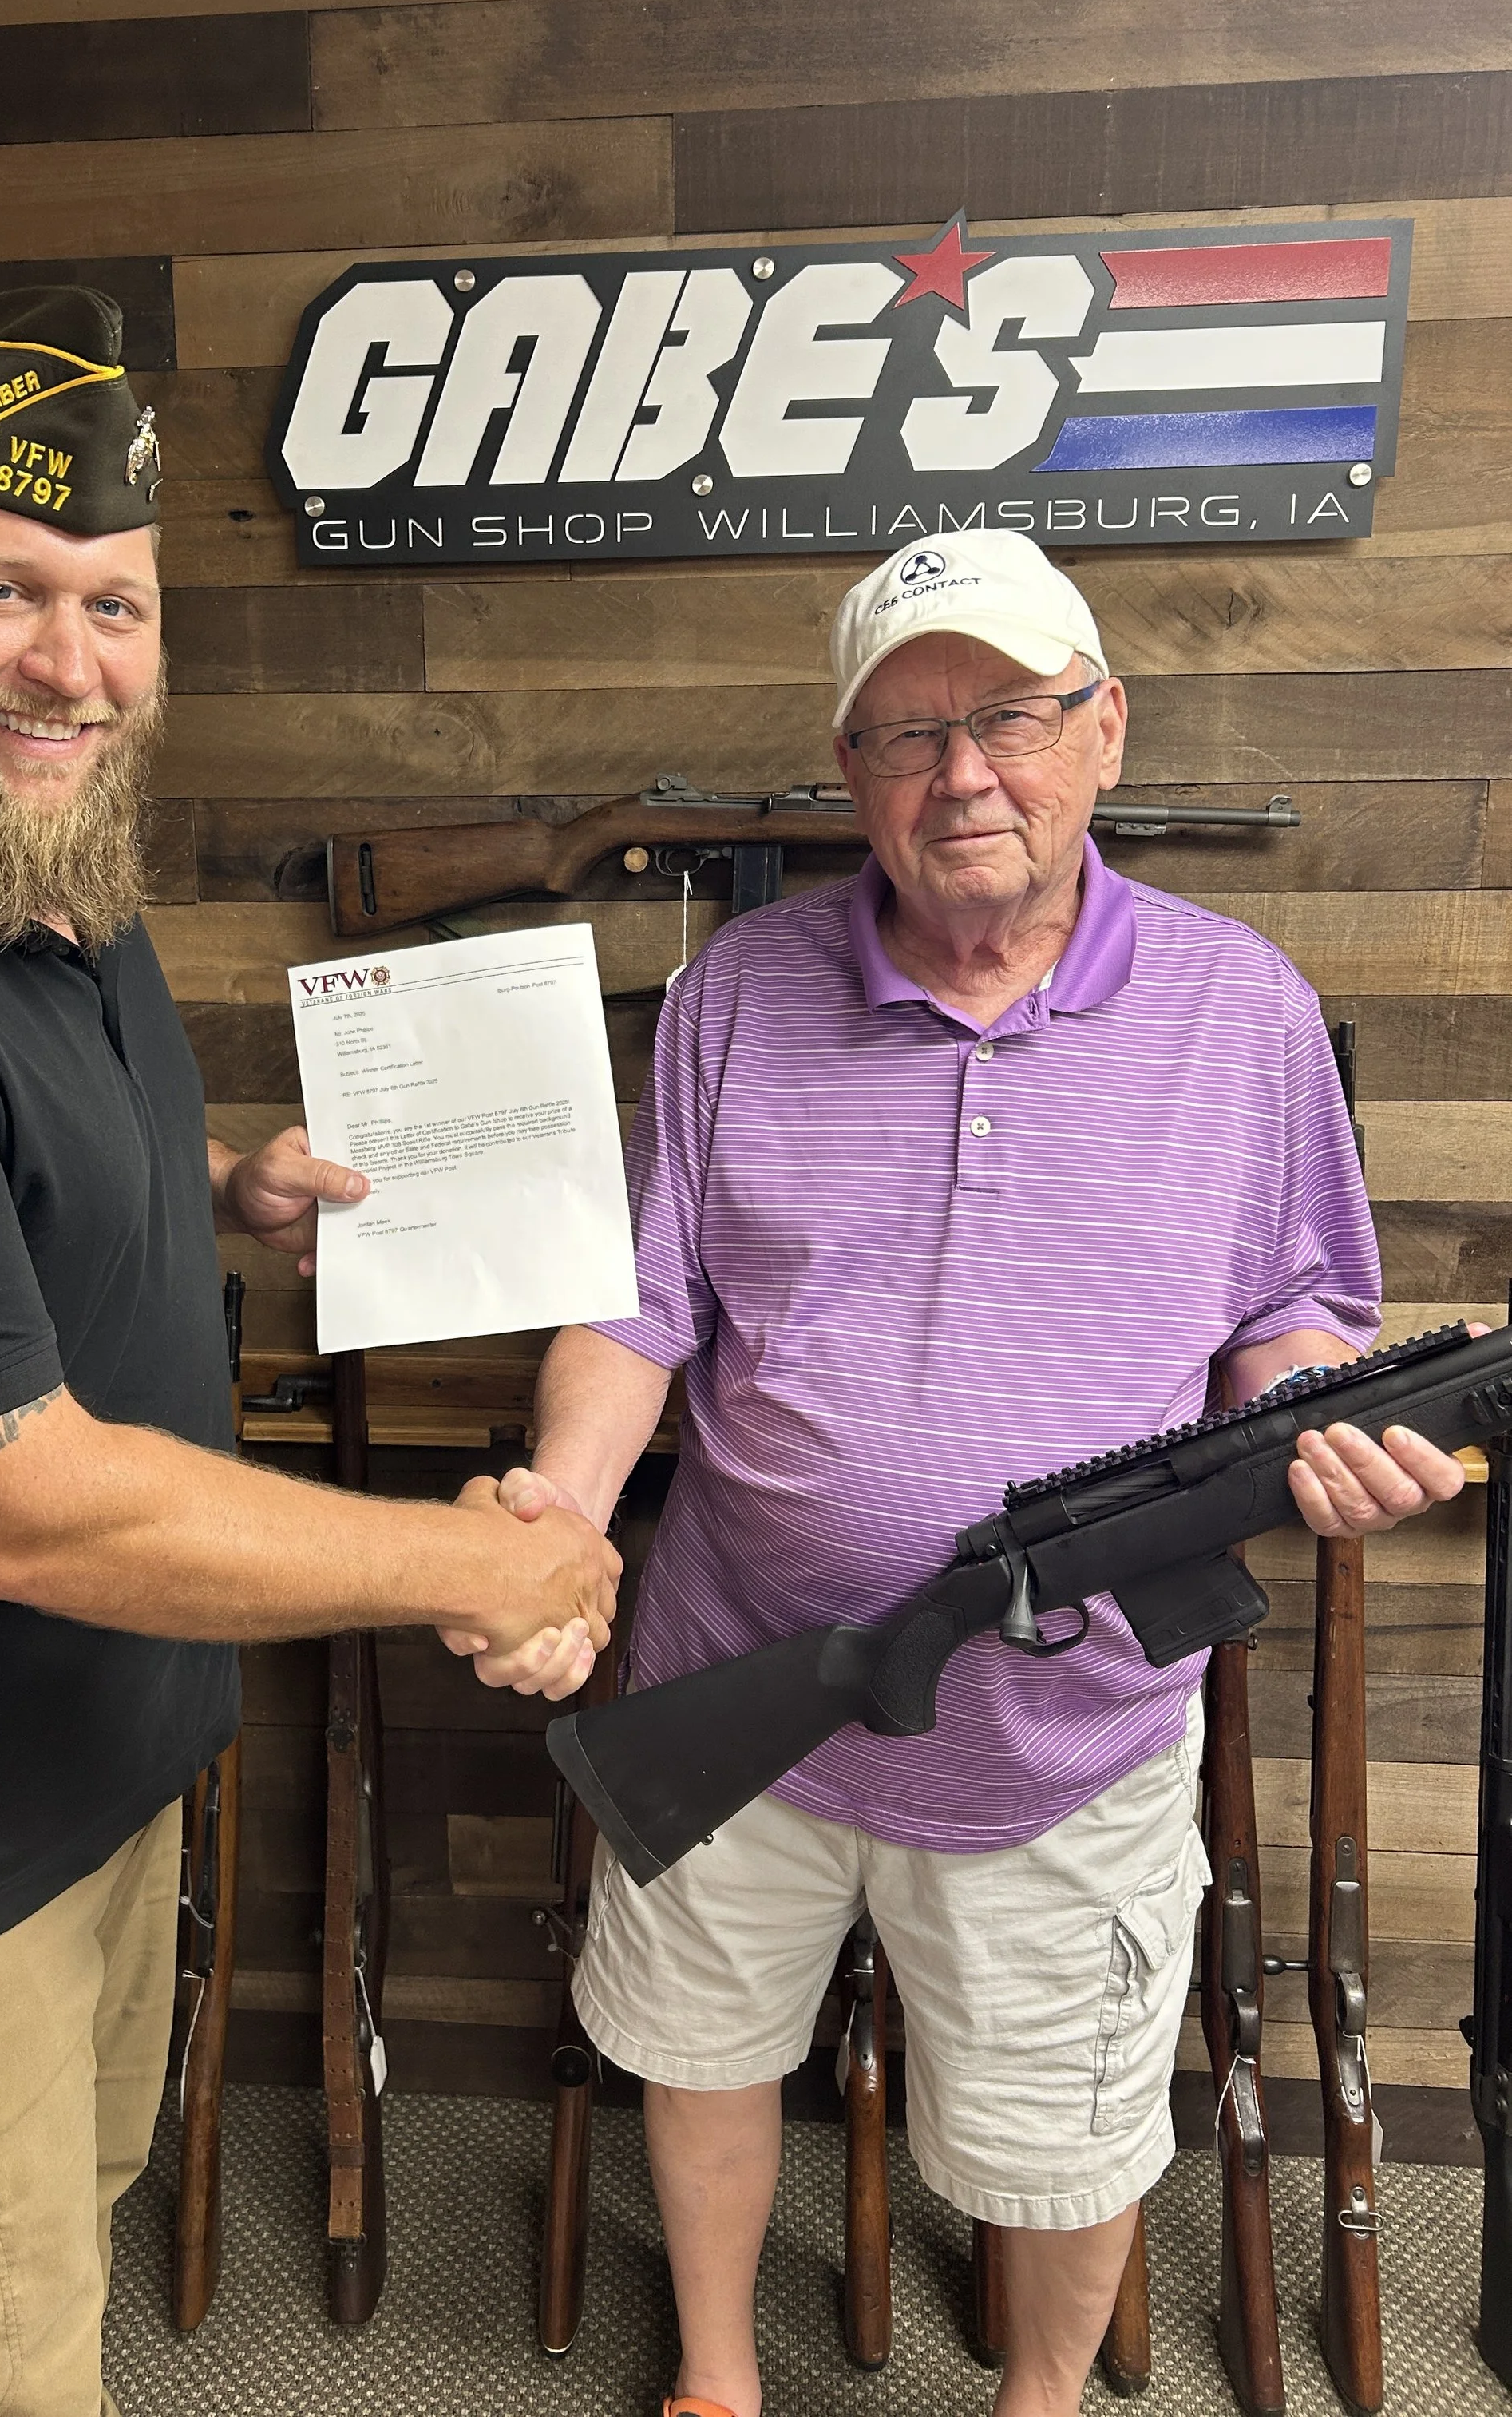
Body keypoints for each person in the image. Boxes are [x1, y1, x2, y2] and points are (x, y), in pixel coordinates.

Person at [0, 287, 617, 2417]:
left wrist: (211, 1179)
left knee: (48, 2302)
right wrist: (473, 1561)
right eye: (5, 591)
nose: (71, 661)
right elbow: (12, 1503)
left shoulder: (39, 865)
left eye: (117, 604)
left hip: (87, 1790)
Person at [495, 529, 1461, 2417]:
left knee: (1071, 2129)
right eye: (907, 733)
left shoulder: (1238, 1006)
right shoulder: (732, 996)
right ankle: (713, 2376)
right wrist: (559, 1507)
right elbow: (638, 1310)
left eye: (1010, 716)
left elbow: (1289, 1312)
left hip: (1068, 1722)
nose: (963, 774)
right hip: (737, 1673)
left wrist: (1325, 1419)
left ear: (1103, 728)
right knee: (698, 2052)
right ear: (849, 774)